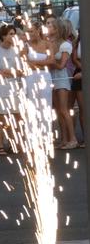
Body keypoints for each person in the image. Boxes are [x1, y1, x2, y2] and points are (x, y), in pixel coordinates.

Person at [0, 24, 24, 154]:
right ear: (4, 36)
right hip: (0, 87)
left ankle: (15, 143)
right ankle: (0, 145)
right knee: (1, 117)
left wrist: (7, 71)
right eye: (11, 34)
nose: (13, 36)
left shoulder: (16, 50)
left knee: (16, 116)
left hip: (15, 86)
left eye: (14, 34)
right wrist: (9, 72)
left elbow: (21, 71)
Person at [48, 18, 78, 149]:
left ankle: (73, 139)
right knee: (58, 110)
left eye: (52, 27)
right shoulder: (49, 43)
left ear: (57, 29)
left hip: (61, 78)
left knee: (64, 110)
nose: (49, 29)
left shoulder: (65, 45)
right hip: (51, 78)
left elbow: (62, 65)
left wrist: (49, 62)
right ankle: (64, 139)